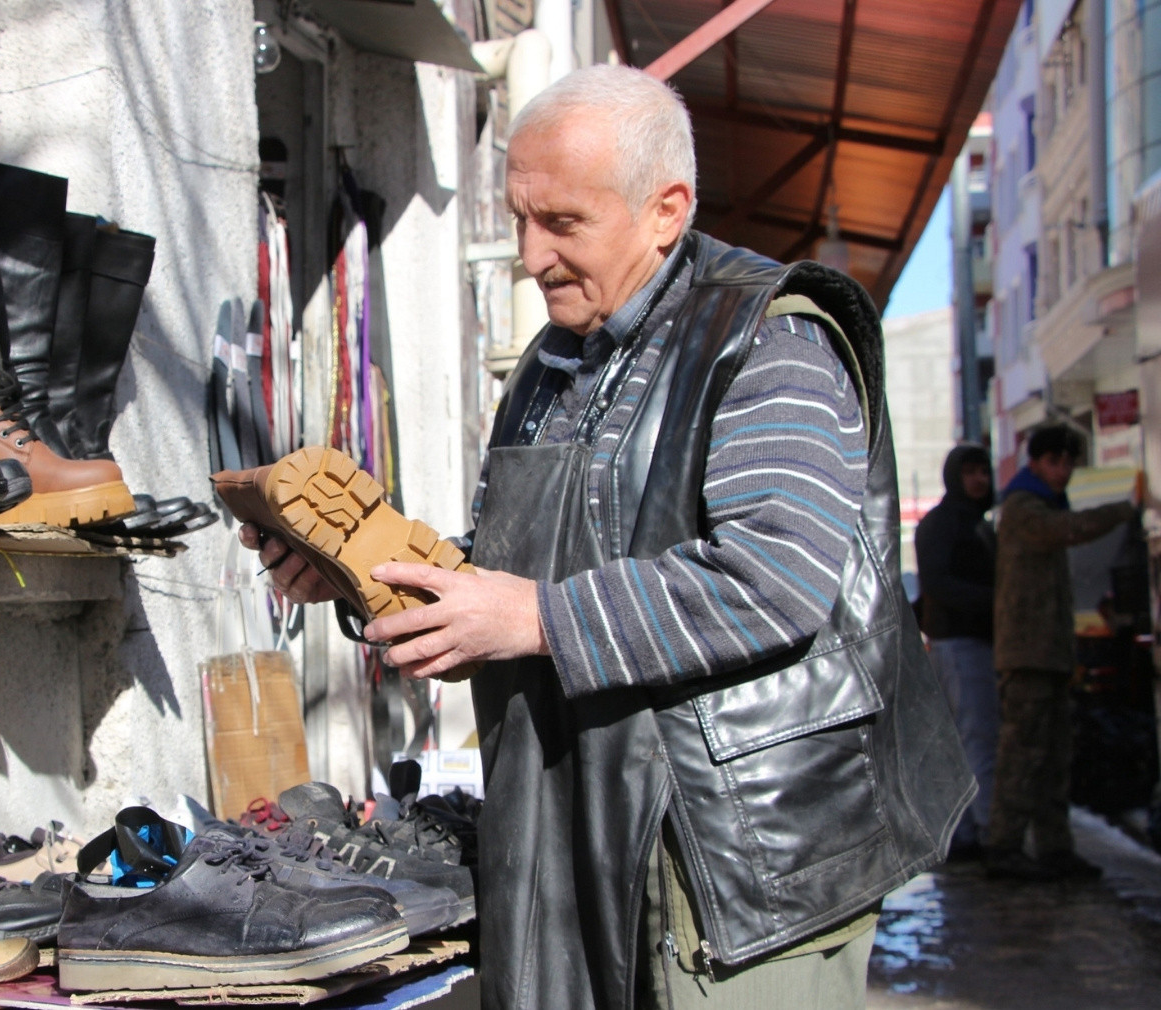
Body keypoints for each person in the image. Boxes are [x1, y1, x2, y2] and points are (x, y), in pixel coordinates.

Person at [242, 65, 969, 1010]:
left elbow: (773, 580)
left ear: (666, 210)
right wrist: (358, 574)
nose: (530, 256)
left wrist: (536, 618)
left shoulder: (768, 337)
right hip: (568, 833)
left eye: (563, 225)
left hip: (730, 875)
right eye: (518, 220)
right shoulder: (549, 368)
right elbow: (517, 583)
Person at [984, 424, 1135, 881]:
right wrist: (1126, 507)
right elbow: (1070, 530)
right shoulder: (1024, 508)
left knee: (1053, 756)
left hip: (1047, 653)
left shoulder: (1040, 504)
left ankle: (1054, 848)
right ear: (1036, 462)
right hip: (1028, 654)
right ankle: (1003, 846)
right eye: (1056, 461)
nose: (1064, 471)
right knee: (1024, 754)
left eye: (1069, 462)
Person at [916, 444, 998, 858]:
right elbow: (938, 582)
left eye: (984, 470)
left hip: (965, 644)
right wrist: (997, 600)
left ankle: (965, 834)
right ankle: (982, 833)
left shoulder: (977, 524)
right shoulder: (944, 524)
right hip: (958, 645)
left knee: (966, 743)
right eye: (970, 471)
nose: (979, 479)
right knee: (975, 740)